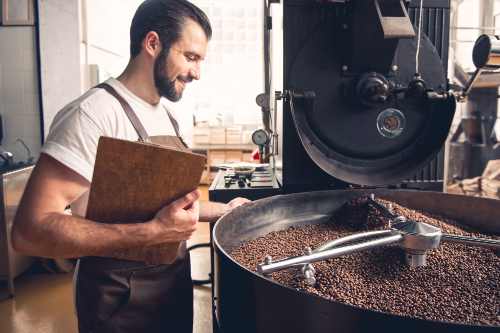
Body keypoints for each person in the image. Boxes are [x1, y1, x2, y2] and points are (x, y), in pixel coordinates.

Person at [11, 1, 249, 332]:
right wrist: (151, 233)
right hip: (121, 304)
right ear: (152, 43)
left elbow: (167, 206)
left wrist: (227, 210)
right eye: (190, 57)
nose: (197, 72)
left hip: (170, 294)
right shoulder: (93, 114)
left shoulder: (165, 114)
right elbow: (29, 231)